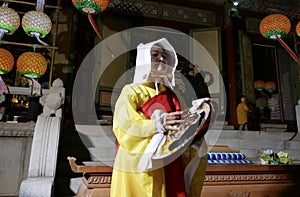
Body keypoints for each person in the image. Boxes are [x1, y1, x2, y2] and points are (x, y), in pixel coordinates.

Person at [110, 38, 207, 197]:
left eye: (164, 56)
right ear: (144, 60)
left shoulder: (171, 95)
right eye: (155, 54)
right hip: (138, 160)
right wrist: (158, 125)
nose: (161, 58)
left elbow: (179, 125)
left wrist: (194, 130)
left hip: (168, 159)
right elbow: (124, 124)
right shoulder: (132, 91)